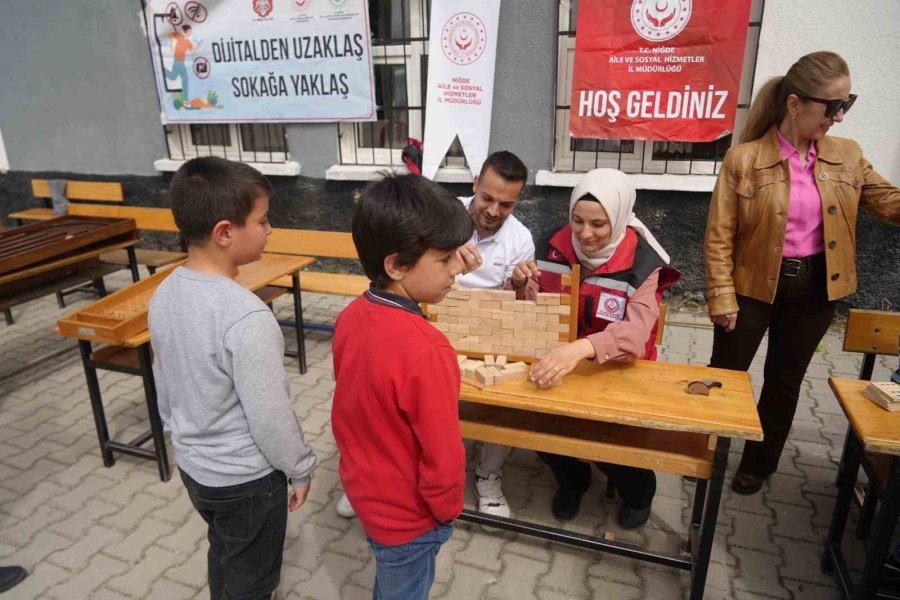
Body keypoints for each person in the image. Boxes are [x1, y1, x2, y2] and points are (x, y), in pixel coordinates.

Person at [705, 51, 900, 495]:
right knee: (725, 372)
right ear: (795, 104)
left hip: (816, 290)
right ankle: (708, 447)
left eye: (846, 103)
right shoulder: (745, 159)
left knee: (784, 383)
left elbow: (888, 201)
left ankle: (759, 462)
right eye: (832, 106)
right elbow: (719, 235)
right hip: (752, 287)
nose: (840, 117)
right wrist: (720, 294)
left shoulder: (847, 156)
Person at [149, 157, 317, 599]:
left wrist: (179, 435)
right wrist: (299, 467)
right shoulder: (246, 316)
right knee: (253, 582)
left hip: (195, 470)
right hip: (246, 482)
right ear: (225, 232)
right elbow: (269, 415)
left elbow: (162, 377)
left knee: (224, 551)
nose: (269, 229)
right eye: (262, 221)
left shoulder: (164, 291)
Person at [337, 150, 535, 520]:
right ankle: (370, 480)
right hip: (424, 317)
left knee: (501, 392)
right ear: (475, 184)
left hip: (482, 328)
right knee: (393, 401)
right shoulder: (440, 215)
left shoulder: (521, 238)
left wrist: (518, 284)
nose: (493, 210)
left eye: (506, 204)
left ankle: (487, 473)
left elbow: (518, 307)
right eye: (488, 198)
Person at [511, 168, 680, 528]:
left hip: (622, 370)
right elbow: (534, 309)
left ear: (619, 219)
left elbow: (635, 336)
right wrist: (520, 283)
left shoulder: (643, 263)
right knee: (536, 427)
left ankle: (637, 490)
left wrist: (579, 349)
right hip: (564, 364)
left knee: (617, 446)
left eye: (598, 224)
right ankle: (574, 479)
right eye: (577, 221)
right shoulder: (550, 244)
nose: (585, 234)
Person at [332, 173, 471, 600]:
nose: (458, 269)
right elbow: (443, 452)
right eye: (446, 258)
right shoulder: (428, 349)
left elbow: (352, 409)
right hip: (411, 519)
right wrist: (446, 513)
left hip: (367, 496)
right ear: (396, 265)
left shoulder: (351, 315)